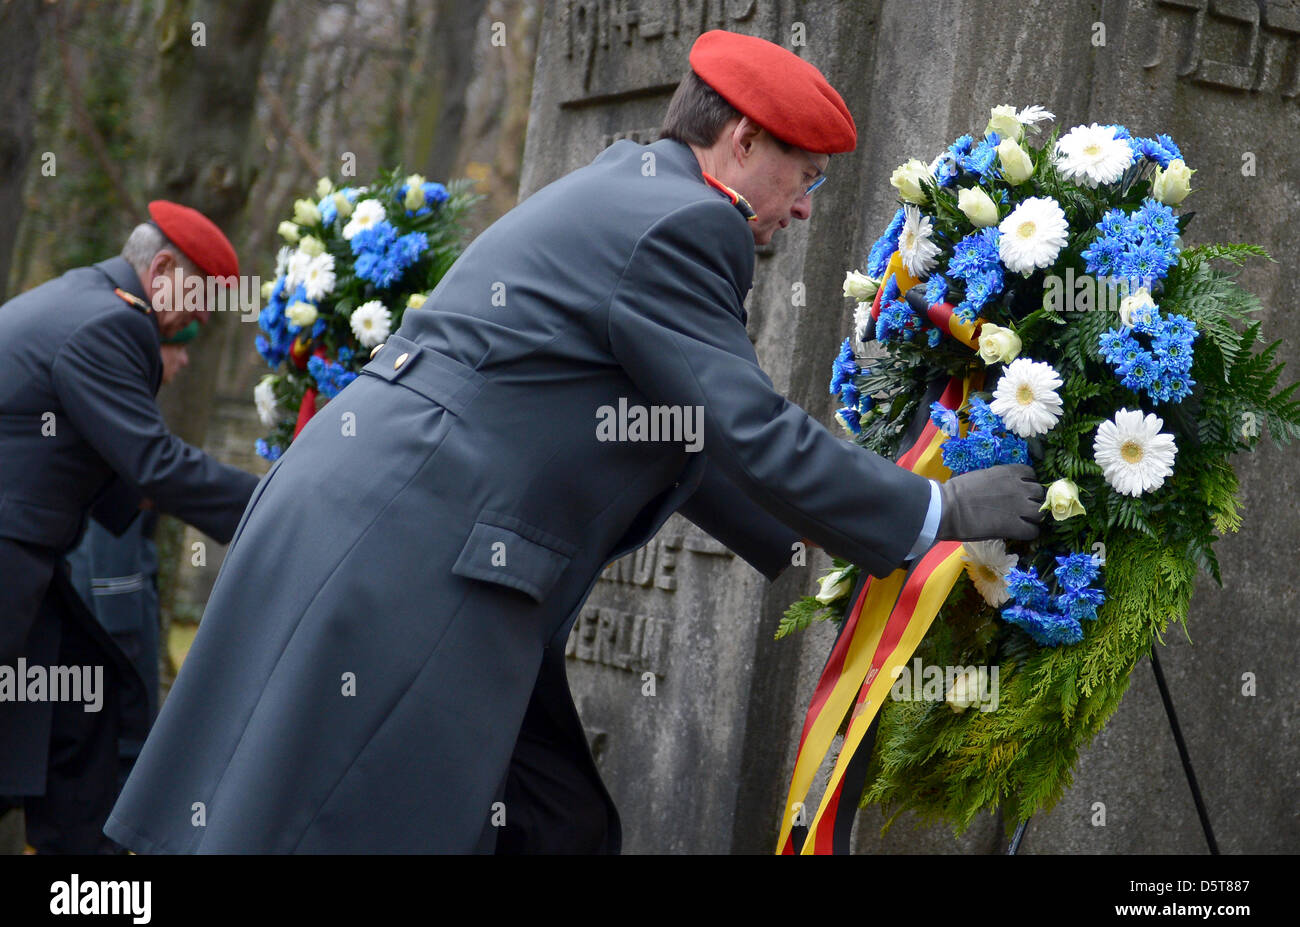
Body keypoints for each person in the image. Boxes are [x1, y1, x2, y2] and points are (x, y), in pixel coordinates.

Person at [106, 31, 1043, 855]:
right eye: (805, 178)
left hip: (394, 527)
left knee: (552, 821)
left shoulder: (631, 186)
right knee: (331, 818)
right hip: (415, 554)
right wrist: (936, 510)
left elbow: (687, 433)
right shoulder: (686, 225)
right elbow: (745, 422)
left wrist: (836, 552)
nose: (803, 209)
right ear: (744, 140)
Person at [0, 201, 259, 853]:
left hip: (24, 555)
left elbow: (110, 468)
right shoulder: (116, 325)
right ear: (165, 269)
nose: (195, 329)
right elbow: (154, 463)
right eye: (198, 311)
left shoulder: (80, 297)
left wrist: (152, 495)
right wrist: (278, 505)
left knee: (86, 711)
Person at [63, 320, 200, 806]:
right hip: (111, 620)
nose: (184, 361)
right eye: (175, 348)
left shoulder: (128, 407)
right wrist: (125, 632)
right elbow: (110, 540)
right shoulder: (122, 416)